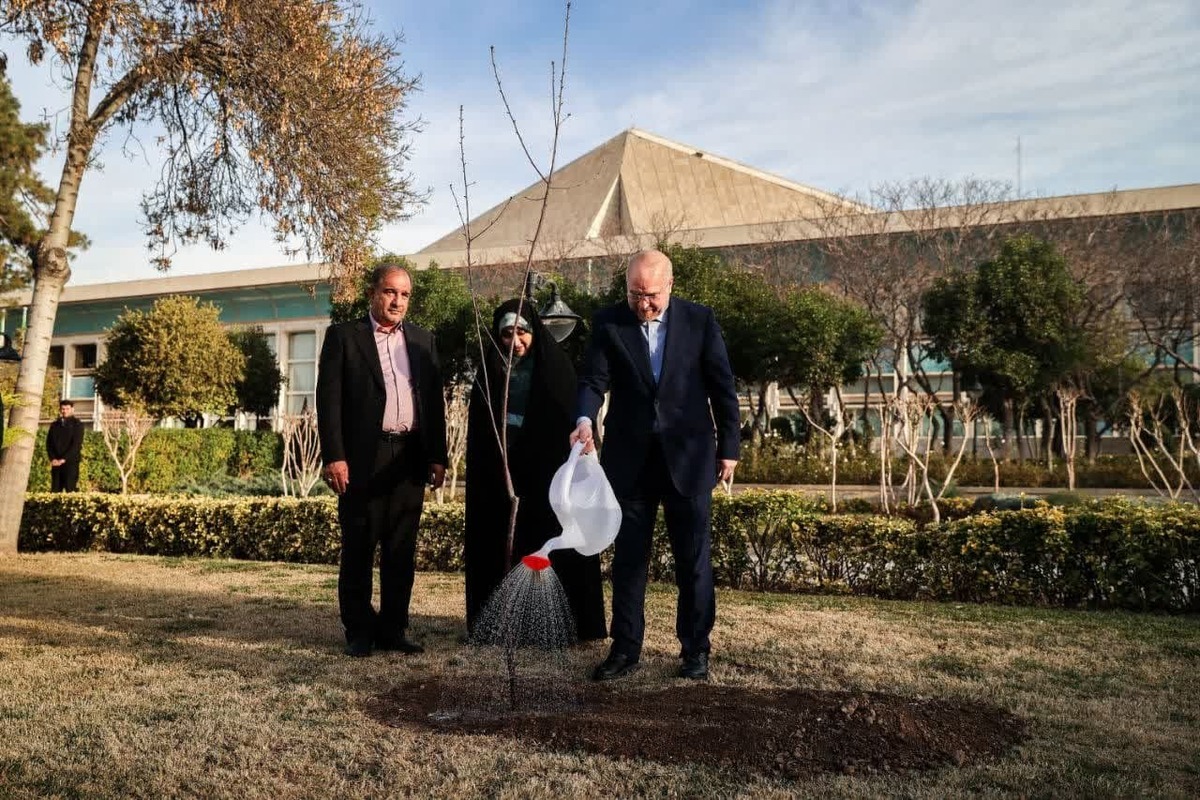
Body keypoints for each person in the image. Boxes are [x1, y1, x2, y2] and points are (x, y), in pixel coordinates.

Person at [571, 249, 740, 681]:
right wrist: (585, 419)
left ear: (670, 286)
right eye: (634, 294)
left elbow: (723, 388)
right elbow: (593, 380)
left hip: (690, 458)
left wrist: (730, 449)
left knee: (693, 560)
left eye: (650, 295)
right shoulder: (609, 322)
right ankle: (625, 649)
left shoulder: (699, 320)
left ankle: (695, 650)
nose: (643, 304)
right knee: (629, 560)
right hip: (630, 462)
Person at [316, 262, 448, 658]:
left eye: (405, 294)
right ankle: (358, 630)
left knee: (401, 548)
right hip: (361, 458)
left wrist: (437, 455)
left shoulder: (424, 340)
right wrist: (335, 456)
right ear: (373, 292)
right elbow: (329, 401)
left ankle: (394, 628)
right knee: (359, 545)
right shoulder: (344, 337)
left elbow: (433, 403)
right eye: (391, 292)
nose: (398, 301)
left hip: (409, 458)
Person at [464, 299, 607, 641]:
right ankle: (502, 623)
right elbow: (481, 429)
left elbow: (574, 416)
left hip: (546, 473)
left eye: (522, 332)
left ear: (534, 332)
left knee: (550, 542)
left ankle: (561, 625)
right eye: (507, 333)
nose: (516, 341)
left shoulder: (556, 368)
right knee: (500, 543)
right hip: (502, 476)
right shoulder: (489, 372)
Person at [47, 400, 85, 492]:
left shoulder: (77, 425)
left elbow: (76, 445)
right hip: (56, 463)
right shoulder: (54, 425)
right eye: (63, 409)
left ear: (72, 409)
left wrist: (64, 459)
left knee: (70, 489)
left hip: (71, 463)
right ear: (60, 410)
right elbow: (49, 444)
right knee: (55, 490)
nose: (65, 411)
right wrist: (53, 459)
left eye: (67, 409)